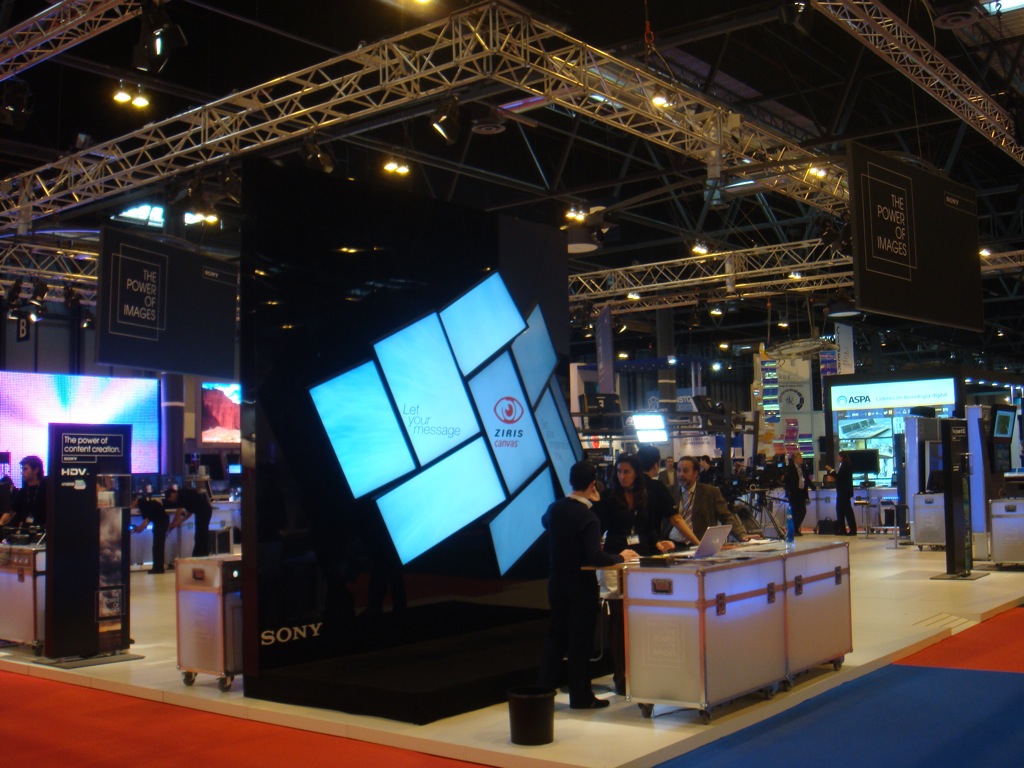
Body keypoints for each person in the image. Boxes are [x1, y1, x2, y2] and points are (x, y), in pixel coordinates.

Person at [538, 460, 638, 710]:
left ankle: (542, 694)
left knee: (556, 637)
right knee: (580, 641)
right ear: (593, 484)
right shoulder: (588, 517)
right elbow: (596, 557)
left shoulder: (555, 508)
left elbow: (545, 523)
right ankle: (581, 696)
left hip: (556, 581)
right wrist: (620, 557)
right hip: (581, 585)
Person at [595, 452, 673, 695]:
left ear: (637, 473)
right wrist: (613, 555)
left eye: (626, 472)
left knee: (642, 619)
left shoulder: (647, 496)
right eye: (619, 472)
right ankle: (621, 676)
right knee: (618, 621)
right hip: (617, 561)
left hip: (642, 560)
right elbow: (600, 531)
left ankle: (643, 672)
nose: (622, 476)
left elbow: (650, 529)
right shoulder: (608, 498)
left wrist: (659, 543)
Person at [670, 456, 753, 542]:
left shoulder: (710, 492)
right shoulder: (670, 492)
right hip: (673, 543)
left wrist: (741, 535)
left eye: (685, 471)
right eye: (678, 470)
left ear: (695, 473)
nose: (680, 474)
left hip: (701, 543)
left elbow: (726, 517)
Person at [165, 485, 214, 556]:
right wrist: (178, 522)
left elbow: (179, 511)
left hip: (204, 511)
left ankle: (201, 554)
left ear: (172, 494)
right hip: (203, 511)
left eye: (170, 499)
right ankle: (201, 553)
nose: (172, 501)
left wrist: (173, 523)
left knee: (201, 533)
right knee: (201, 533)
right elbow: (189, 513)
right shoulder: (184, 494)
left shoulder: (180, 495)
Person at [0, 456, 47, 528]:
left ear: (35, 470)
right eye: (22, 469)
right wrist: (1, 522)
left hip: (44, 531)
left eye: (25, 469)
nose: (22, 472)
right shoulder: (23, 491)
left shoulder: (47, 489)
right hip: (26, 530)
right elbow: (11, 512)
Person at [129, 494, 170, 573]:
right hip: (162, 521)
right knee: (158, 546)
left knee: (158, 546)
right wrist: (140, 528)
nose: (131, 506)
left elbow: (146, 520)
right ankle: (158, 567)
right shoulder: (145, 502)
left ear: (134, 501)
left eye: (131, 503)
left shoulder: (142, 505)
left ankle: (158, 568)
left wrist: (138, 528)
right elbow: (149, 517)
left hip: (160, 522)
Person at [783, 451, 811, 536]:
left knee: (802, 511)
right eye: (799, 458)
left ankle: (795, 527)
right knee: (794, 511)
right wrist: (788, 491)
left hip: (801, 491)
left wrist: (813, 487)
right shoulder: (790, 468)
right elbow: (787, 481)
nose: (801, 459)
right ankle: (794, 530)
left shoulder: (803, 467)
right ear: (795, 459)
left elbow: (806, 479)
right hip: (793, 492)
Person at [835, 451, 857, 536]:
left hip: (844, 492)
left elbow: (840, 478)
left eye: (838, 456)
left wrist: (832, 471)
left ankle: (852, 529)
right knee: (841, 510)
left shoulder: (845, 466)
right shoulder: (845, 465)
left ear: (842, 457)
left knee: (847, 511)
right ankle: (842, 529)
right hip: (843, 492)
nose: (837, 458)